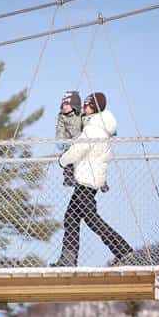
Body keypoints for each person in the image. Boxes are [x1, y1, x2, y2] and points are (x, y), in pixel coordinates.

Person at [52, 92, 133, 267]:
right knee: (72, 217)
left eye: (87, 106)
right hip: (92, 178)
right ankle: (68, 259)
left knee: (89, 217)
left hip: (86, 179)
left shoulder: (93, 128)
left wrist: (62, 160)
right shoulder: (102, 126)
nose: (83, 108)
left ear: (93, 108)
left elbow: (78, 149)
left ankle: (123, 249)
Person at [55, 91, 83, 186]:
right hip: (69, 142)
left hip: (81, 140)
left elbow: (91, 122)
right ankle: (69, 178)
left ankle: (101, 181)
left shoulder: (81, 114)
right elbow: (60, 129)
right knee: (67, 159)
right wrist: (60, 140)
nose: (64, 107)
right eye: (63, 105)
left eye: (67, 105)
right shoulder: (62, 116)